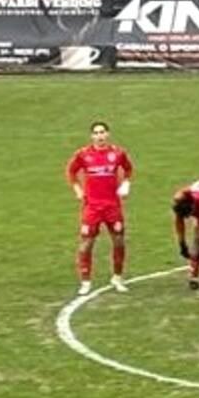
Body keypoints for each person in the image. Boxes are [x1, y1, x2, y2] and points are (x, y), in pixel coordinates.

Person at [66, 121, 133, 296]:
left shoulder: (117, 153)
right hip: (92, 207)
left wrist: (126, 183)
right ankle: (85, 281)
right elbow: (71, 171)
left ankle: (117, 277)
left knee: (118, 241)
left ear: (107, 134)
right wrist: (77, 189)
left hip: (112, 206)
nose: (99, 136)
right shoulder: (83, 154)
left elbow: (128, 169)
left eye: (102, 132)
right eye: (96, 133)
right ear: (92, 136)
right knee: (86, 244)